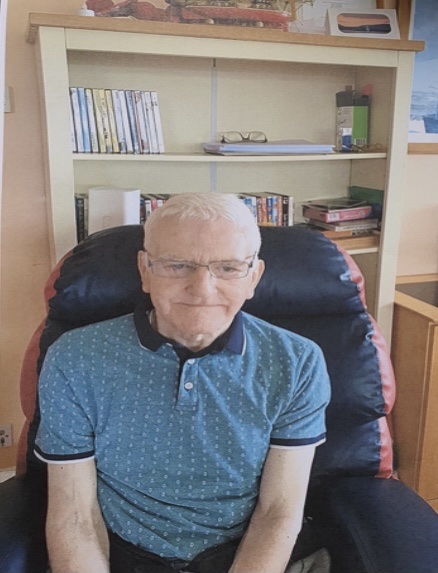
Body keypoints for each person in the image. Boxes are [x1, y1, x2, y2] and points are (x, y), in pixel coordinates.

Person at [34, 193, 331, 573]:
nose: (202, 288)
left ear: (254, 277)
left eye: (228, 268)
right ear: (145, 270)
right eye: (178, 265)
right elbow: (75, 515)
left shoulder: (297, 362)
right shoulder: (75, 358)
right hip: (124, 553)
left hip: (249, 553)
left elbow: (278, 511)